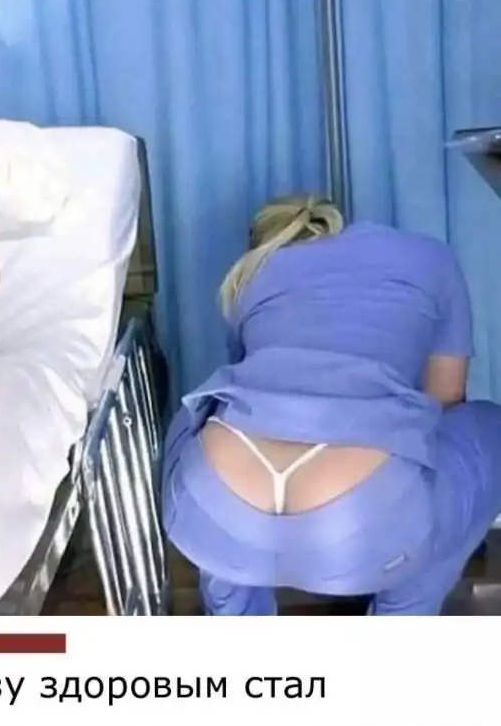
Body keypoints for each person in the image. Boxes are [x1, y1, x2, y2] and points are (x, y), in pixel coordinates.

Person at [162, 194, 501, 615]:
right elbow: (447, 400)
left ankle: (237, 617)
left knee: (200, 412)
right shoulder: (432, 257)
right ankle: (403, 615)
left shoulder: (252, 273)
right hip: (357, 526)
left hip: (217, 509)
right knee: (486, 432)